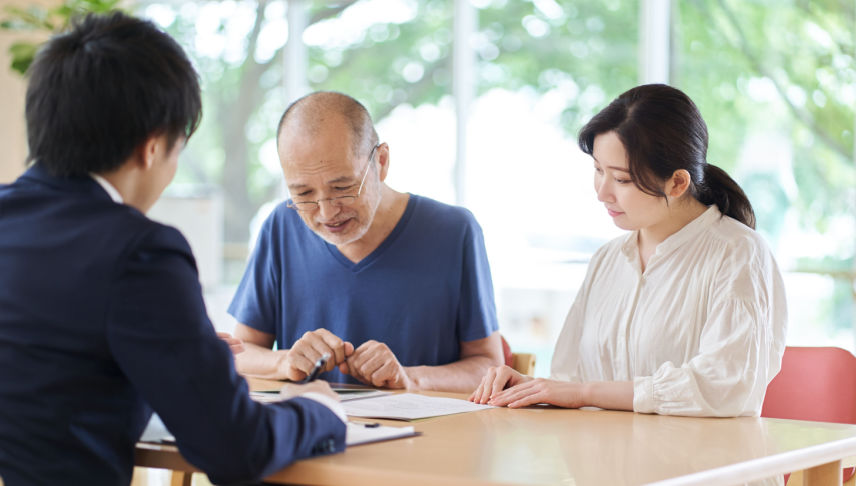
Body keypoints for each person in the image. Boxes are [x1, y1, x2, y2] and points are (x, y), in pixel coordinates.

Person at [0, 12, 345, 486]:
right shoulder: (138, 251)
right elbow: (236, 448)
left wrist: (175, 355)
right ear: (152, 146)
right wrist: (320, 410)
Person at [470, 84, 787, 417]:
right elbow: (570, 379)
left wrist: (584, 393)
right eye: (598, 170)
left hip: (702, 464)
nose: (602, 192)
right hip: (610, 462)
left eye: (621, 179)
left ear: (678, 183)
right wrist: (530, 388)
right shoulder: (607, 259)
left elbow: (724, 386)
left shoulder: (738, 252)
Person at [226, 91, 503, 392]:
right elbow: (240, 354)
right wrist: (284, 362)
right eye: (303, 194)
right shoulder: (281, 226)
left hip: (426, 435)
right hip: (313, 432)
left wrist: (410, 377)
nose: (327, 212)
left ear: (381, 162)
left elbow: (488, 366)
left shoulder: (455, 231)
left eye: (343, 188)